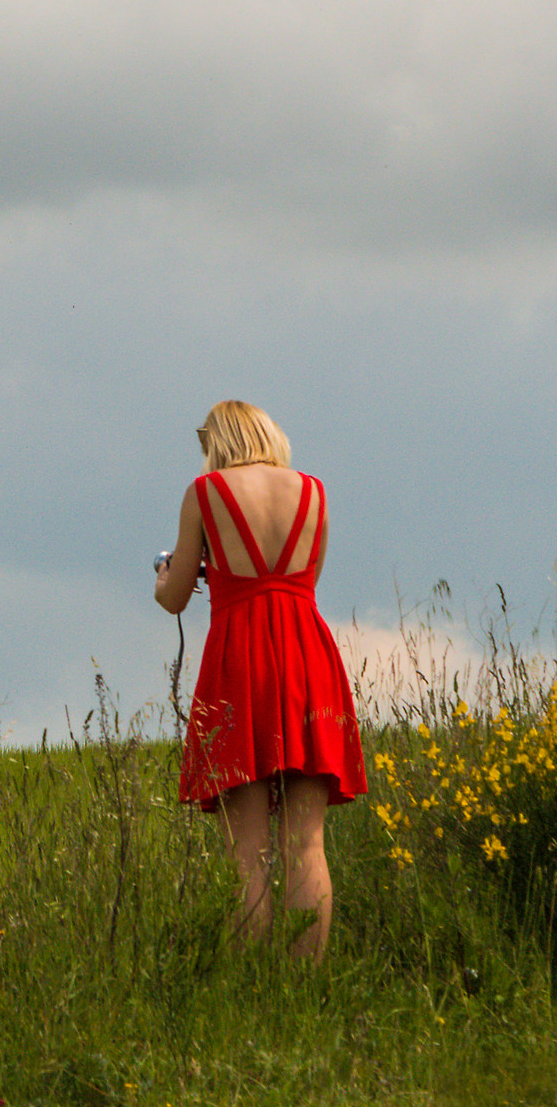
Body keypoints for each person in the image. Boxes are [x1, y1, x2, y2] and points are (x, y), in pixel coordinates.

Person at [154, 400, 366, 957]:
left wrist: (164, 578)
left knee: (246, 850)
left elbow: (176, 597)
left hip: (240, 658)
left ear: (217, 442)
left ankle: (249, 984)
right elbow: (305, 580)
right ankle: (303, 985)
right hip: (307, 656)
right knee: (307, 843)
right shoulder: (314, 491)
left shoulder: (205, 493)